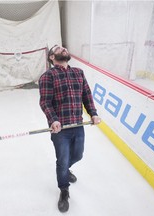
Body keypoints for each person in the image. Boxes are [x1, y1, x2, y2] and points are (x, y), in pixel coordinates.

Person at [38, 45, 101, 212]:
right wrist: (53, 120)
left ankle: (64, 169)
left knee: (78, 155)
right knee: (63, 160)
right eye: (58, 48)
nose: (63, 49)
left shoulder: (78, 73)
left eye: (64, 47)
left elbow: (86, 95)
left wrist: (93, 113)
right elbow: (45, 102)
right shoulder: (48, 76)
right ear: (52, 57)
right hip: (60, 129)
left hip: (78, 125)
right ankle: (64, 190)